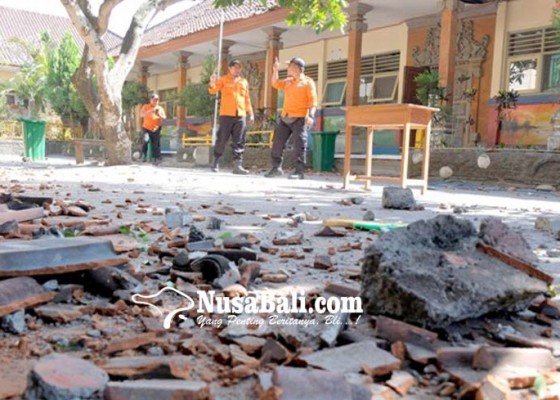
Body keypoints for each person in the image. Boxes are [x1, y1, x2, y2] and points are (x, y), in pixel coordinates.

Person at [265, 56, 317, 180]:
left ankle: (299, 171)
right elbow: (275, 83)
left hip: (299, 118)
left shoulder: (308, 82)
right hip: (285, 117)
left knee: (299, 144)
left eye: (290, 66)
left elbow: (313, 102)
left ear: (297, 68)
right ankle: (276, 168)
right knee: (277, 143)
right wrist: (275, 70)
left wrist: (311, 116)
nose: (288, 68)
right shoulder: (288, 81)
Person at [208, 59, 254, 174]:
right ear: (230, 68)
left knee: (239, 140)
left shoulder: (244, 82)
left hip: (240, 114)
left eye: (239, 67)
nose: (237, 69)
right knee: (222, 139)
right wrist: (212, 82)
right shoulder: (224, 79)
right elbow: (213, 91)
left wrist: (251, 113)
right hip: (226, 115)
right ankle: (215, 162)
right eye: (235, 67)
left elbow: (247, 99)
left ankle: (237, 166)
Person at [140, 93, 166, 165]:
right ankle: (144, 155)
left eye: (157, 100)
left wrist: (158, 114)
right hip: (146, 128)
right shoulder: (146, 106)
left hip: (156, 128)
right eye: (154, 100)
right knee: (146, 140)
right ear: (151, 100)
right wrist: (151, 111)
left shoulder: (160, 109)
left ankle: (156, 158)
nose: (156, 101)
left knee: (156, 144)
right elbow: (141, 114)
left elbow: (163, 118)